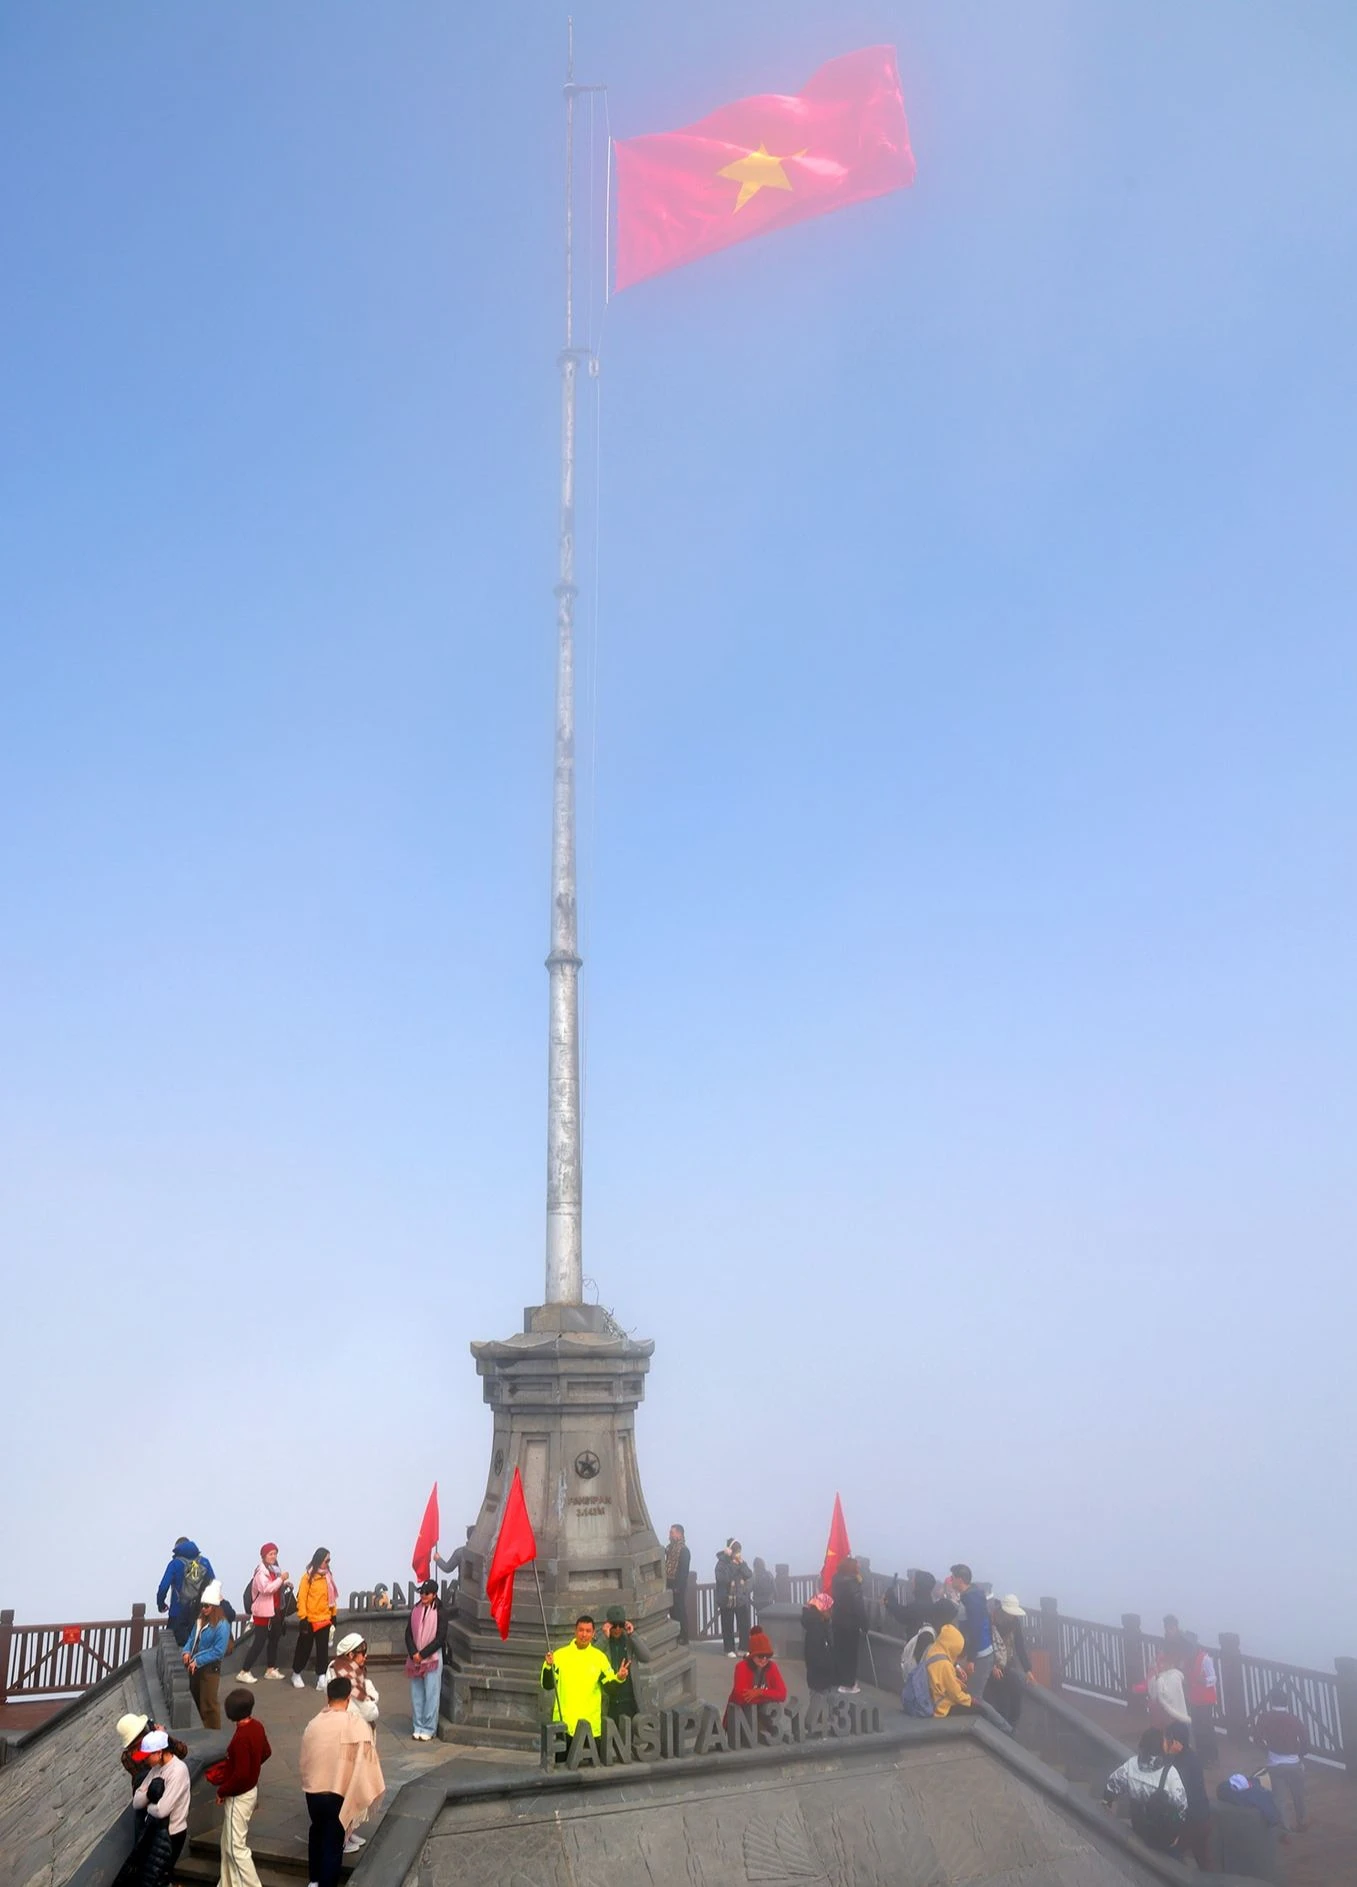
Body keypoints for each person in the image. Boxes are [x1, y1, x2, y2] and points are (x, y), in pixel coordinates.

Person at [299, 1677, 386, 1887]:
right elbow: (366, 1762)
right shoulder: (355, 1724)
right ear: (348, 1698)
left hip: (313, 1791)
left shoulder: (313, 1724)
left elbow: (305, 1759)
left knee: (316, 1830)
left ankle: (314, 1880)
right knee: (333, 1842)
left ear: (328, 1697)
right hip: (338, 1792)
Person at [204, 1686, 272, 1887]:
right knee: (228, 1841)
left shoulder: (240, 1738)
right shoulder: (257, 1726)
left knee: (235, 1847)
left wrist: (223, 1790)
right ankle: (227, 1883)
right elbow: (266, 1752)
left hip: (239, 1795)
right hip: (251, 1790)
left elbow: (240, 1775)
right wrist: (252, 1768)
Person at [1102, 1727, 1190, 1852]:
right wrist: (1176, 1833)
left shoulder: (1131, 1764)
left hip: (1138, 1825)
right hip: (1161, 1833)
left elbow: (1113, 1784)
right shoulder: (1170, 1773)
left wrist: (1107, 1804)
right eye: (1164, 1741)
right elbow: (1182, 1806)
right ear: (1160, 1747)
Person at [541, 1616, 627, 1737]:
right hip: (565, 1725)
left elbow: (609, 1688)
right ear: (575, 1631)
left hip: (590, 1726)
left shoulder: (599, 1658)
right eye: (581, 1630)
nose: (584, 1634)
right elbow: (548, 1685)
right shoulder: (559, 1656)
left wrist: (619, 1678)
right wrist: (549, 1666)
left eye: (588, 1631)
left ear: (593, 1634)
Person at [922, 1623, 1014, 1733]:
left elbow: (941, 1680)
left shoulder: (932, 1651)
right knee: (980, 1710)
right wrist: (971, 1700)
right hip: (941, 1707)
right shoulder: (944, 1664)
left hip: (932, 1699)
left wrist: (959, 1683)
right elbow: (954, 1693)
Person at [129, 1729, 192, 1885]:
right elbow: (136, 1802)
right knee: (154, 1877)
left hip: (172, 1833)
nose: (145, 1761)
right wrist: (150, 1796)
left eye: (147, 1756)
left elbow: (162, 1810)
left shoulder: (178, 1770)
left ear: (159, 1752)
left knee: (160, 1876)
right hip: (156, 1830)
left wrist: (148, 1805)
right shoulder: (156, 1769)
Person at [1252, 1683, 1309, 1831]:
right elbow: (1306, 1743)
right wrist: (1298, 1755)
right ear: (1287, 1702)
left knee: (1279, 1799)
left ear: (1272, 1701)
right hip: (1294, 1763)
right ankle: (1301, 1822)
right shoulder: (1294, 1719)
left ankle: (1284, 1829)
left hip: (1275, 1764)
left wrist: (1268, 1750)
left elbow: (1257, 1738)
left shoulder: (1265, 1717)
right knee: (1299, 1796)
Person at [1161, 1720, 1212, 1869]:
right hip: (1203, 1817)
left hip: (1190, 1821)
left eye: (1167, 1739)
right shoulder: (1190, 1757)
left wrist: (1174, 1823)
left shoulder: (1181, 1765)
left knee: (1172, 1853)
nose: (1165, 1743)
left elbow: (1178, 1798)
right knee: (1204, 1860)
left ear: (1176, 1742)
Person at [237, 1543, 290, 1683]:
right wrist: (281, 1579)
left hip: (274, 1611)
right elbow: (266, 1588)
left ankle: (270, 1669)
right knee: (259, 1641)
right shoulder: (261, 1572)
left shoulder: (274, 1570)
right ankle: (244, 1671)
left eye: (275, 1553)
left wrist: (283, 1584)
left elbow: (275, 1587)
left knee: (274, 1639)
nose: (273, 1556)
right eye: (270, 1554)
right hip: (263, 1612)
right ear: (264, 1556)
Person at [182, 1581, 230, 1730]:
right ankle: (202, 1730)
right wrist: (186, 1651)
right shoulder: (200, 1621)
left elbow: (218, 1651)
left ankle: (213, 1733)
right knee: (196, 1699)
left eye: (207, 1606)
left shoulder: (222, 1625)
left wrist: (197, 1660)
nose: (203, 1609)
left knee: (209, 1704)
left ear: (215, 1607)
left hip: (210, 1669)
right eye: (202, 1605)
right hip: (195, 1666)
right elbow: (191, 1639)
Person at [404, 1578, 446, 1740]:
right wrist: (414, 1652)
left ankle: (429, 1727)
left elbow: (440, 1638)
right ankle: (418, 1724)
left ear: (434, 1595)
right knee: (417, 1693)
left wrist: (423, 1654)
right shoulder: (416, 1610)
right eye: (421, 1592)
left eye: (426, 1593)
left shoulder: (440, 1612)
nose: (423, 1595)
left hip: (433, 1658)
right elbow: (408, 1633)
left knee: (431, 1693)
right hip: (415, 1658)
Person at [155, 1536, 215, 1649]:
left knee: (173, 1649)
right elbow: (213, 1586)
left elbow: (163, 1587)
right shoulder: (205, 1562)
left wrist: (161, 1605)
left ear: (177, 1549)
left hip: (177, 1614)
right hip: (201, 1613)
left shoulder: (175, 1564)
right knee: (200, 1648)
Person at [291, 1547, 338, 1689]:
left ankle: (321, 1677)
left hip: (324, 1618)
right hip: (310, 1620)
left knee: (322, 1650)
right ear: (319, 1560)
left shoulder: (328, 1576)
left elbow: (332, 1599)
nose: (328, 1563)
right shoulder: (307, 1577)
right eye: (326, 1560)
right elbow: (302, 1598)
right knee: (304, 1649)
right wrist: (303, 1618)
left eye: (329, 1560)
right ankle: (296, 1673)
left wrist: (333, 1614)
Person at [987, 1594, 1035, 1728]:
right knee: (1001, 1699)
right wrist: (992, 1666)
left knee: (1016, 1692)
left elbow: (1019, 1645)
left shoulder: (1014, 1622)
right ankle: (1003, 1729)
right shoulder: (991, 1620)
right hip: (992, 1664)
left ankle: (1011, 1725)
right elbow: (987, 1644)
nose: (1014, 1616)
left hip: (1007, 1662)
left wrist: (1028, 1669)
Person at [949, 1564, 995, 1704]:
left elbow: (976, 1629)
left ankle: (1002, 1726)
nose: (951, 1580)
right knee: (969, 1694)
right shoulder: (970, 1596)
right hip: (977, 1653)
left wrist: (971, 1659)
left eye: (953, 1578)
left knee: (974, 1698)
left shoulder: (971, 1600)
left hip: (980, 1655)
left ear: (960, 1580)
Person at [725, 1627, 788, 1726]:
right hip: (739, 1718)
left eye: (767, 1656)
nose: (764, 1659)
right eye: (760, 1656)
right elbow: (740, 1697)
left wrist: (759, 1692)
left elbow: (782, 1694)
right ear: (752, 1655)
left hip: (760, 1717)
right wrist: (770, 1695)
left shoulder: (772, 1667)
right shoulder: (741, 1667)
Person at [600, 1605, 650, 1720]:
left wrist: (633, 1634)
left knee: (628, 1735)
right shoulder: (602, 1640)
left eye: (620, 1625)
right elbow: (591, 1658)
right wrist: (604, 1638)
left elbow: (646, 1657)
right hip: (609, 1699)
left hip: (629, 1699)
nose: (617, 1629)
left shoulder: (629, 1639)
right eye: (614, 1625)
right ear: (608, 1624)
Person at [830, 1556, 868, 1695]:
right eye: (857, 1566)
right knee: (850, 1655)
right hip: (851, 1624)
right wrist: (865, 1624)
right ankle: (848, 1684)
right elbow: (859, 1606)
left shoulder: (836, 1580)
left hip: (837, 1621)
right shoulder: (853, 1583)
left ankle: (839, 1680)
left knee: (839, 1651)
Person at [1183, 1632, 1220, 1771]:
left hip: (1206, 1699)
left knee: (1207, 1728)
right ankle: (1201, 1755)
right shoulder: (1187, 1660)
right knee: (1197, 1727)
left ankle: (1212, 1756)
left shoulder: (1205, 1659)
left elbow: (1214, 1678)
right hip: (1194, 1698)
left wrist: (1204, 1681)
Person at [328, 1632, 380, 1727]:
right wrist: (372, 1698)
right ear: (351, 1655)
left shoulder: (335, 1666)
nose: (366, 1656)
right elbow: (370, 1712)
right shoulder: (351, 1679)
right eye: (363, 1653)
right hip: (355, 1728)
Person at [714, 1540, 753, 1658]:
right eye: (736, 1551)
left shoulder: (740, 1563)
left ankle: (743, 1648)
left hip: (740, 1598)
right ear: (730, 1551)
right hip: (727, 1599)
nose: (738, 1554)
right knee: (727, 1625)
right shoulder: (722, 1563)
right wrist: (733, 1565)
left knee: (744, 1625)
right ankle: (728, 1649)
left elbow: (748, 1574)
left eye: (739, 1551)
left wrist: (741, 1564)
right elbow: (724, 1578)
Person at [884, 1570, 938, 1639]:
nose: (911, 1582)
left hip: (917, 1645)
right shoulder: (929, 1602)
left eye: (914, 1580)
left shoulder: (919, 1606)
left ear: (919, 1584)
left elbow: (901, 1614)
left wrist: (888, 1597)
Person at [801, 1590, 836, 1695]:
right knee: (818, 1705)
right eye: (829, 1609)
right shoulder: (815, 1630)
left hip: (821, 1677)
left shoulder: (821, 1624)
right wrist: (831, 1666)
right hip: (819, 1679)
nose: (831, 1612)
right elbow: (814, 1656)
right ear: (822, 1609)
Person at [665, 1524, 692, 1644]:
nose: (670, 1535)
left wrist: (678, 1587)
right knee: (672, 1611)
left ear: (679, 1534)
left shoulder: (684, 1550)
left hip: (678, 1587)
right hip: (669, 1584)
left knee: (680, 1611)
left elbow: (683, 1571)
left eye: (672, 1533)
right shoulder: (670, 1548)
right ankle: (676, 1634)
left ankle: (683, 1636)